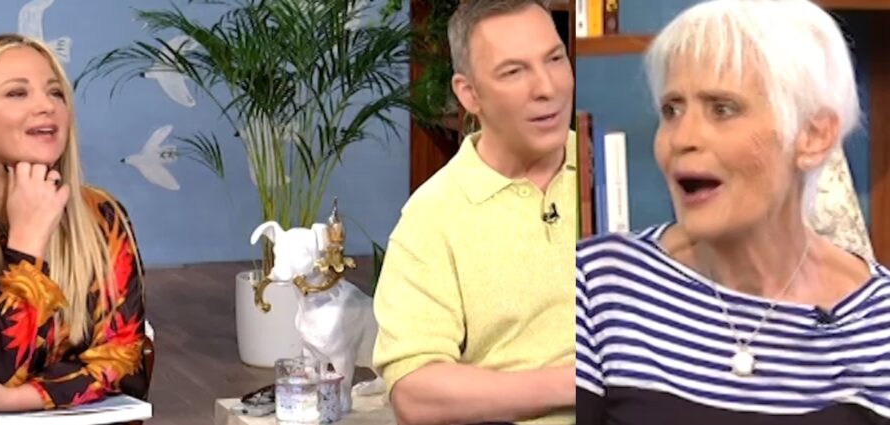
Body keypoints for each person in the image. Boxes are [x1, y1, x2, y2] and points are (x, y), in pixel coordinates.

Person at [576, 0, 890, 423]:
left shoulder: (879, 325)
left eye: (722, 109)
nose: (681, 138)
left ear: (814, 136)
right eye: (672, 110)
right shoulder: (597, 285)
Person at [372, 1, 576, 424]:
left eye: (555, 59)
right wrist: (575, 384)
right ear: (469, 94)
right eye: (514, 71)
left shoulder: (618, 166)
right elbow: (415, 391)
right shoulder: (431, 218)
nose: (547, 87)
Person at [0, 34, 148, 414]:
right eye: (17, 93)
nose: (46, 106)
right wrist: (26, 247)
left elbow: (123, 361)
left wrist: (14, 400)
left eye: (55, 93)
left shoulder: (101, 216)